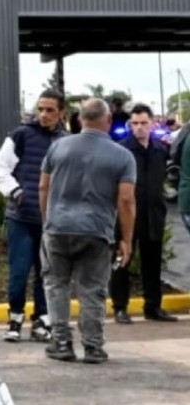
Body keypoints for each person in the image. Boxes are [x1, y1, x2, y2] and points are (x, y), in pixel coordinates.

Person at [38, 98, 137, 364]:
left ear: (80, 119)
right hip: (96, 230)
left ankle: (61, 343)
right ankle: (93, 347)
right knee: (92, 289)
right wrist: (126, 239)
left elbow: (43, 188)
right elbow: (126, 200)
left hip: (57, 228)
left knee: (56, 284)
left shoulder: (57, 147)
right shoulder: (123, 156)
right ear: (107, 121)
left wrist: (48, 221)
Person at [0, 88, 65, 343]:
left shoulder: (65, 141)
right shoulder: (21, 135)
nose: (43, 114)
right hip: (21, 217)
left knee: (47, 272)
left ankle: (42, 321)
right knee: (19, 271)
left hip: (50, 220)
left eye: (49, 110)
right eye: (40, 108)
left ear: (61, 113)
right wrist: (15, 192)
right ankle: (15, 318)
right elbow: (0, 168)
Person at [110, 104, 178, 323]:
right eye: (135, 124)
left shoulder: (160, 149)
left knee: (153, 261)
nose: (139, 128)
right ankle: (120, 306)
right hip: (127, 215)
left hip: (153, 214)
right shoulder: (121, 150)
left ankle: (153, 306)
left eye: (143, 123)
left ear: (152, 124)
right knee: (122, 261)